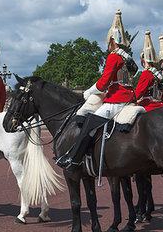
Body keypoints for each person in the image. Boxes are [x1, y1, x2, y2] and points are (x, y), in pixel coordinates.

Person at [55, 10, 138, 170]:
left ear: (113, 42)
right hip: (130, 99)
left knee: (89, 123)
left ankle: (74, 159)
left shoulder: (114, 56)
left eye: (108, 43)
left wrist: (89, 91)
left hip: (117, 100)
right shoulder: (128, 58)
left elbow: (104, 83)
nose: (107, 46)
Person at [135, 31, 163, 112]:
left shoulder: (147, 73)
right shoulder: (158, 73)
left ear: (143, 59)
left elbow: (138, 93)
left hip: (148, 106)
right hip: (160, 104)